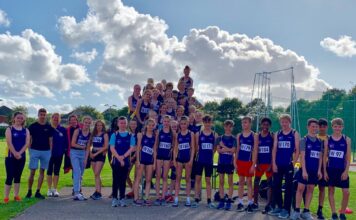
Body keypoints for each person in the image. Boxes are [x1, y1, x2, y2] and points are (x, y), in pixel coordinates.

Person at [290, 118, 323, 220]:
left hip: (314, 170)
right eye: (312, 126)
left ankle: (306, 211)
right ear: (308, 127)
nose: (314, 128)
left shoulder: (320, 141)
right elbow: (302, 157)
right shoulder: (303, 140)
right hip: (304, 169)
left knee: (310, 190)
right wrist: (304, 170)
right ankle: (296, 211)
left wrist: (319, 170)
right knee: (300, 189)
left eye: (316, 127)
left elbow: (320, 157)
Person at [269, 114, 300, 219]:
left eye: (286, 121)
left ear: (289, 122)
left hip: (288, 165)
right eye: (282, 121)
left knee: (288, 187)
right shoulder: (278, 133)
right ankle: (279, 206)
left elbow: (297, 150)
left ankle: (286, 209)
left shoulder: (294, 133)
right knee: (276, 185)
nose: (284, 123)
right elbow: (274, 149)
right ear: (280, 122)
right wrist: (273, 163)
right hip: (278, 164)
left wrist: (293, 162)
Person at [324, 118, 351, 220]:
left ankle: (342, 213)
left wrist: (346, 171)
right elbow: (324, 157)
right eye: (335, 126)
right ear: (332, 127)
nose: (337, 128)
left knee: (346, 192)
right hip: (330, 169)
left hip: (342, 170)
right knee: (331, 191)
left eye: (339, 126)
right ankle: (334, 213)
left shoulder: (347, 139)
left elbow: (348, 158)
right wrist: (325, 171)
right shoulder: (328, 139)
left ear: (342, 127)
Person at [26, 108, 54, 199]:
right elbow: (29, 139)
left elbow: (50, 140)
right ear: (38, 115)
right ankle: (29, 191)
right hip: (34, 150)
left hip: (46, 152)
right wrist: (29, 150)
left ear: (46, 116)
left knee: (42, 172)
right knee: (32, 172)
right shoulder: (33, 126)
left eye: (44, 115)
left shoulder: (49, 126)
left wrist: (50, 151)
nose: (42, 116)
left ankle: (38, 191)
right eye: (41, 114)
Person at [191, 115, 218, 209]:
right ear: (203, 123)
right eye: (205, 122)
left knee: (208, 181)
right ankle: (196, 199)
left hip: (208, 161)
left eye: (209, 122)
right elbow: (196, 148)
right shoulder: (198, 134)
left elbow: (214, 148)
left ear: (211, 123)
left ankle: (209, 200)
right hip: (199, 160)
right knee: (197, 180)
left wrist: (210, 155)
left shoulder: (215, 134)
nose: (207, 124)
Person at [4, 112, 30, 203]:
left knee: (18, 177)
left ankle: (16, 195)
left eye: (21, 118)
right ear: (14, 118)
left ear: (23, 120)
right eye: (18, 118)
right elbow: (9, 142)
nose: (19, 120)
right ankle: (6, 197)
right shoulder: (9, 129)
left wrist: (20, 153)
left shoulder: (26, 130)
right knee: (10, 177)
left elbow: (27, 143)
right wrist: (15, 153)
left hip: (21, 157)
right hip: (10, 157)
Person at [110, 116, 136, 207]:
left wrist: (123, 157)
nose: (123, 125)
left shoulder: (131, 135)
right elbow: (112, 148)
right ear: (118, 124)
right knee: (116, 180)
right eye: (121, 123)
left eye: (124, 123)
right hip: (116, 161)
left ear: (127, 124)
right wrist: (119, 158)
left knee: (123, 180)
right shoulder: (114, 135)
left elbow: (132, 148)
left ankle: (122, 198)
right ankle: (114, 198)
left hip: (126, 161)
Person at [236, 116, 258, 213]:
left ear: (250, 123)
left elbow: (255, 151)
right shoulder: (239, 135)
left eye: (246, 122)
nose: (244, 124)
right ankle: (240, 203)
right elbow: (237, 150)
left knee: (249, 183)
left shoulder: (254, 135)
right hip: (240, 161)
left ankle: (250, 203)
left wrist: (253, 165)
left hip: (249, 162)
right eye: (242, 122)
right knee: (241, 182)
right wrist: (235, 162)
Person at [133, 118, 157, 206]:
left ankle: (146, 197)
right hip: (141, 160)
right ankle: (136, 198)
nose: (150, 127)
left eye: (152, 125)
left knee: (148, 180)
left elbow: (154, 150)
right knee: (138, 179)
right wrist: (138, 160)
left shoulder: (154, 136)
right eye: (149, 125)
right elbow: (138, 148)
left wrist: (154, 163)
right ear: (146, 125)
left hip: (150, 161)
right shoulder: (141, 135)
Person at [252, 117, 274, 213]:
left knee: (270, 184)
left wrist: (271, 164)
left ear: (269, 126)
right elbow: (256, 150)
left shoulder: (272, 136)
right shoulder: (257, 136)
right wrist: (257, 163)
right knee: (256, 182)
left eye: (267, 125)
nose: (265, 126)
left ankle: (268, 204)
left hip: (269, 164)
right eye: (263, 124)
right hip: (260, 164)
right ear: (261, 125)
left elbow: (274, 151)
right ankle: (255, 203)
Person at [173, 116, 195, 207]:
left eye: (185, 123)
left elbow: (193, 148)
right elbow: (175, 148)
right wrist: (174, 159)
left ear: (188, 124)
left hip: (187, 159)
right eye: (181, 124)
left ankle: (188, 199)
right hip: (179, 159)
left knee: (187, 179)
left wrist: (191, 160)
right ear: (180, 125)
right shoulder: (178, 134)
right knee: (178, 178)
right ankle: (176, 198)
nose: (183, 125)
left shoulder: (191, 134)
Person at [216, 120, 237, 211]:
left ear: (232, 127)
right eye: (226, 126)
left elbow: (233, 151)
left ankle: (229, 200)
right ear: (224, 127)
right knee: (221, 182)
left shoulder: (234, 139)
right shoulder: (219, 138)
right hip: (221, 162)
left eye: (230, 126)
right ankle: (221, 200)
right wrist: (228, 149)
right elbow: (218, 151)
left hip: (230, 163)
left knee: (230, 182)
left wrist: (223, 146)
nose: (228, 128)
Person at [154, 115, 175, 206]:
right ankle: (158, 196)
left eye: (168, 121)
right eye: (165, 121)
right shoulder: (159, 131)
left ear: (170, 122)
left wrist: (172, 159)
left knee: (165, 177)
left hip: (167, 157)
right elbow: (155, 146)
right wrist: (155, 159)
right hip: (159, 156)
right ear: (162, 122)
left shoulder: (172, 133)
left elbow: (173, 147)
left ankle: (163, 196)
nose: (166, 123)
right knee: (158, 177)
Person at [70, 116, 92, 201]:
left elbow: (88, 148)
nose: (87, 124)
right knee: (77, 172)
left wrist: (86, 159)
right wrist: (81, 146)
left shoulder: (90, 134)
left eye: (89, 123)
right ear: (83, 123)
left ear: (91, 124)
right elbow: (72, 144)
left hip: (83, 154)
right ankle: (76, 192)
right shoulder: (77, 131)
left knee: (81, 174)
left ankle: (78, 191)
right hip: (74, 152)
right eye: (86, 122)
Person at [47, 113, 67, 197]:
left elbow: (66, 141)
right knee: (49, 171)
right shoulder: (48, 128)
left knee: (56, 171)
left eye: (57, 118)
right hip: (49, 154)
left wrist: (63, 151)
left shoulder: (63, 129)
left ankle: (55, 189)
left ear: (60, 119)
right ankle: (49, 189)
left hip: (59, 153)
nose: (55, 119)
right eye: (54, 118)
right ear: (51, 118)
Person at [89, 120, 109, 200]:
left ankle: (99, 193)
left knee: (97, 173)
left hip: (100, 155)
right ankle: (97, 191)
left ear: (103, 126)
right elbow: (90, 145)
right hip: (93, 154)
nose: (99, 127)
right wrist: (90, 153)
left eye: (100, 125)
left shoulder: (105, 134)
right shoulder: (93, 134)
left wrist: (96, 153)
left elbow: (106, 146)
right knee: (96, 174)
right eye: (97, 125)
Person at [316, 118, 328, 220]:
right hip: (313, 165)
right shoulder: (313, 137)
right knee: (308, 188)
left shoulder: (329, 139)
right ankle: (305, 209)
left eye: (324, 126)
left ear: (327, 127)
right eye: (320, 126)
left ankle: (320, 209)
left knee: (322, 188)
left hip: (324, 167)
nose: (322, 128)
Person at [126, 119, 139, 198]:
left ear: (136, 125)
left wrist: (134, 156)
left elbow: (138, 146)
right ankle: (133, 189)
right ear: (129, 125)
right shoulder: (127, 134)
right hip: (128, 155)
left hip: (136, 156)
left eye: (134, 124)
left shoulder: (139, 134)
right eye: (131, 124)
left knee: (136, 175)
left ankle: (134, 191)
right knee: (126, 174)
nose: (133, 125)